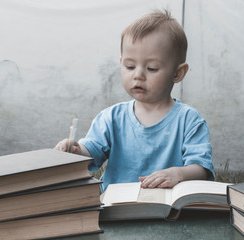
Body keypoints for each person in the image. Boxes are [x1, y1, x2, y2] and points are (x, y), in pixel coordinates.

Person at [55, 10, 215, 192]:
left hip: (168, 211)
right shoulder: (111, 118)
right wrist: (76, 151)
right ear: (121, 62)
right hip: (115, 209)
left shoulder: (189, 120)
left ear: (178, 73)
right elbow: (91, 154)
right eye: (130, 66)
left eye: (152, 68)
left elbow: (201, 168)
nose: (138, 75)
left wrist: (176, 174)